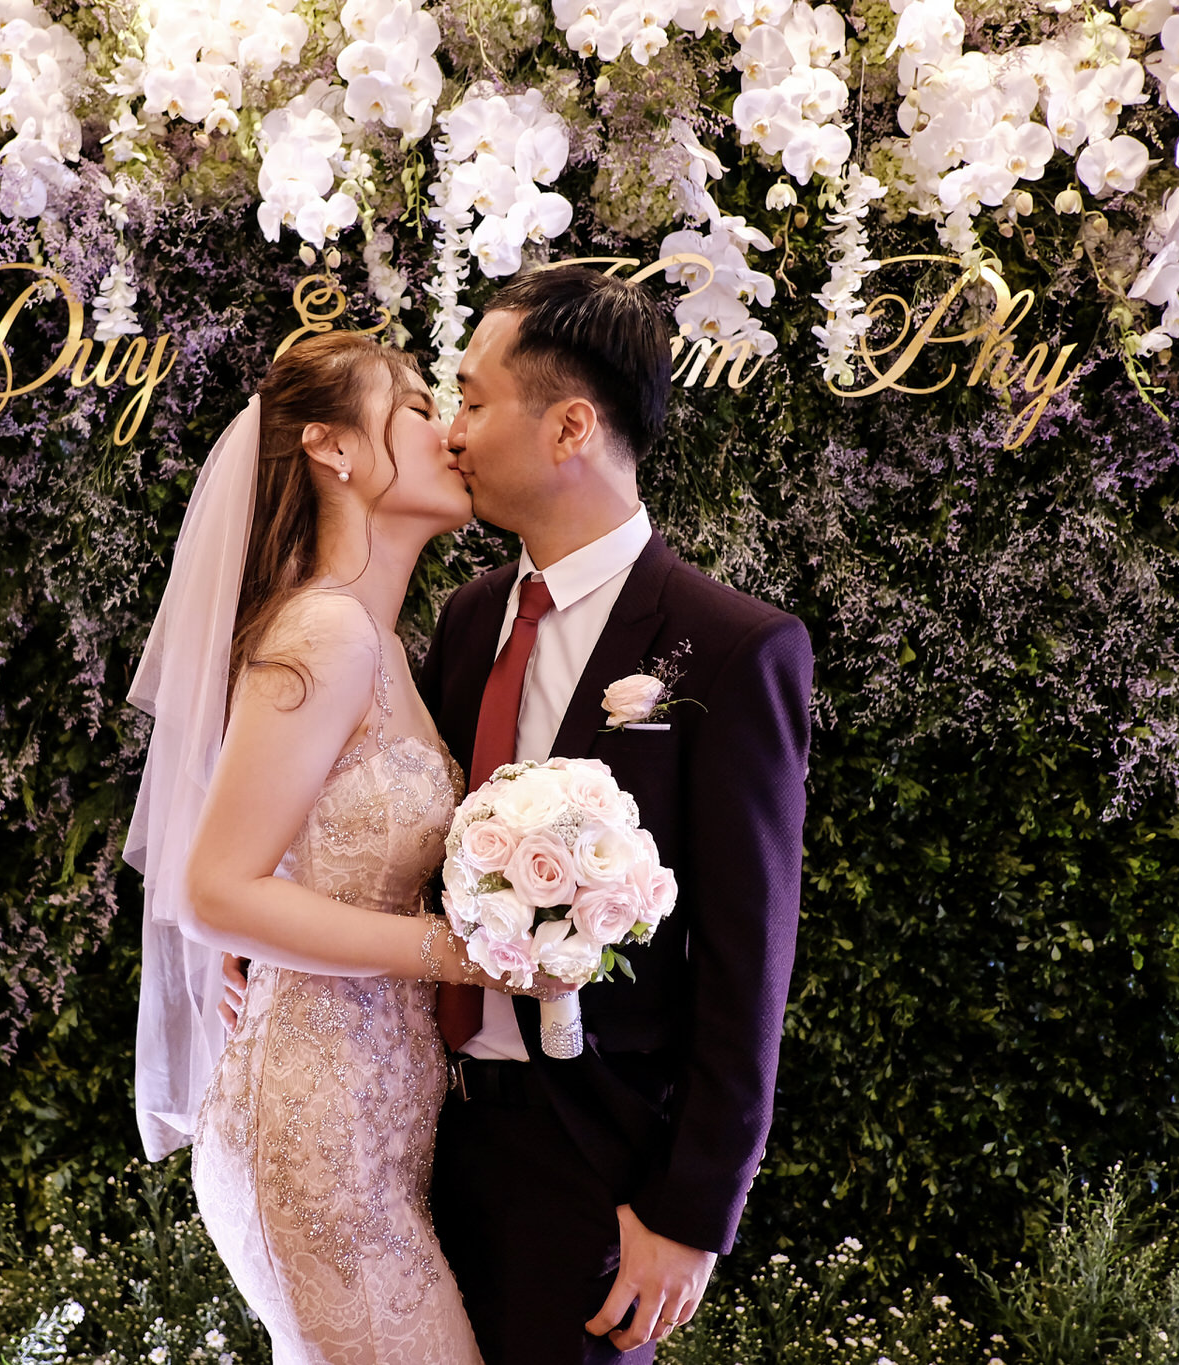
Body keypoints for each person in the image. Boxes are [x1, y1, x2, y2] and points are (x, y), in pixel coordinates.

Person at [122, 330, 564, 1365]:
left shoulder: (382, 644)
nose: (446, 432)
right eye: (414, 407)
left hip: (368, 1138)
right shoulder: (327, 634)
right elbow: (215, 891)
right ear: (333, 448)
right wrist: (460, 953)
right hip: (311, 1145)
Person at [420, 266, 813, 1364]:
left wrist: (691, 1211)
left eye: (473, 399)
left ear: (570, 427)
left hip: (592, 1159)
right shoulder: (466, 620)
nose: (452, 431)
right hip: (422, 1133)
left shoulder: (729, 647)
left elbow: (748, 954)